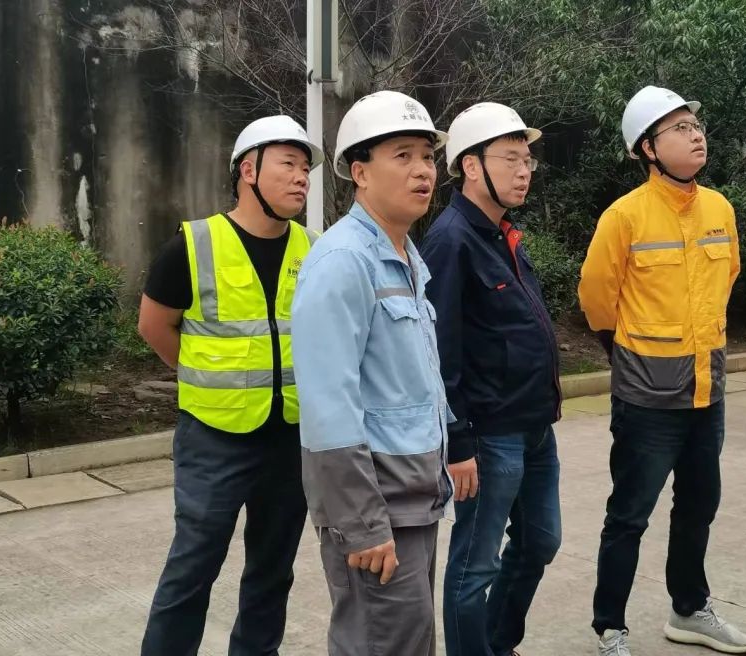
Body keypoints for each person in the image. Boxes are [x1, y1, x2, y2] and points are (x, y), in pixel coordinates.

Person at [579, 86, 746, 655]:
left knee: (699, 506)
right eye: (679, 128)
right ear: (647, 149)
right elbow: (597, 299)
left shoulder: (719, 209)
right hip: (647, 400)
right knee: (629, 515)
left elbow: (727, 278)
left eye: (695, 125)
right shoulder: (624, 217)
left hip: (707, 391)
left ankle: (689, 610)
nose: (695, 135)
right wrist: (629, 350)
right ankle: (610, 627)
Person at [137, 115, 321, 656]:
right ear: (249, 170)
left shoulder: (313, 249)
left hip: (288, 436)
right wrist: (208, 378)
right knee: (193, 567)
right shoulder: (193, 244)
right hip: (213, 437)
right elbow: (154, 326)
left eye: (305, 168)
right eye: (288, 164)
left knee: (273, 570)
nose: (301, 177)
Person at [291, 90, 452, 656]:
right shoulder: (343, 262)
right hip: (377, 510)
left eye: (427, 156)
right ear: (359, 173)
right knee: (382, 644)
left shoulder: (404, 257)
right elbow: (328, 408)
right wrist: (362, 523)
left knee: (407, 641)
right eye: (402, 155)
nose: (422, 170)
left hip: (413, 500)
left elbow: (412, 383)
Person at [419, 102, 562, 656]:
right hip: (489, 433)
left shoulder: (503, 233)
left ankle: (497, 644)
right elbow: (439, 352)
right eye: (511, 159)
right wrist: (458, 442)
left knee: (540, 541)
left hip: (534, 426)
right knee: (474, 567)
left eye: (528, 160)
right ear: (471, 166)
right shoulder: (451, 240)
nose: (524, 171)